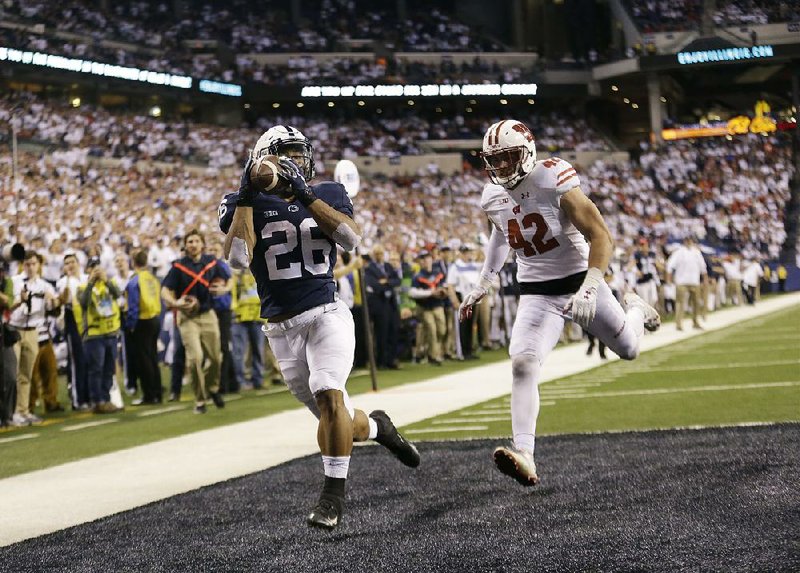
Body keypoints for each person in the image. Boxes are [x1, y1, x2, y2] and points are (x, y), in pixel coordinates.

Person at [219, 124, 420, 529]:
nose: (297, 161)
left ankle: (332, 498)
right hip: (280, 329)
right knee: (341, 419)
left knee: (328, 393)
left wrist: (305, 195)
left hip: (327, 313)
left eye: (300, 153)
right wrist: (245, 195)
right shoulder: (242, 202)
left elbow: (350, 239)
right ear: (265, 158)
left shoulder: (327, 191)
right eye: (287, 154)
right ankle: (379, 427)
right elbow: (239, 260)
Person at [459, 119, 660, 487]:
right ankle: (526, 455)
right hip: (537, 292)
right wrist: (484, 281)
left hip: (580, 281)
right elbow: (501, 234)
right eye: (495, 160)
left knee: (629, 349)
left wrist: (590, 284)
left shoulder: (553, 177)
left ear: (528, 150)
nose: (501, 167)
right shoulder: (491, 195)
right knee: (522, 363)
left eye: (508, 157)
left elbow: (599, 234)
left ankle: (634, 307)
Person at [161, 230, 229, 414]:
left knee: (216, 357)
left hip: (208, 314)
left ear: (202, 243)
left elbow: (230, 278)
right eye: (189, 241)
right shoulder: (178, 267)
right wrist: (175, 303)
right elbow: (165, 290)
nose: (193, 244)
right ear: (185, 245)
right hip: (187, 317)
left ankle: (212, 388)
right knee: (195, 358)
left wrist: (224, 289)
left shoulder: (211, 262)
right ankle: (200, 400)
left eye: (196, 240)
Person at [8, 251, 58, 426]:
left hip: (33, 331)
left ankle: (24, 411)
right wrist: (20, 301)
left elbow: (54, 305)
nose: (30, 267)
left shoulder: (44, 285)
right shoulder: (13, 282)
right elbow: (7, 306)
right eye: (27, 264)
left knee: (27, 374)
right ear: (23, 265)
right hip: (15, 329)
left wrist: (54, 301)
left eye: (33, 264)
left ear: (38, 265)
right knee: (12, 374)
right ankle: (12, 412)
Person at [78, 257, 123, 414]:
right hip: (94, 334)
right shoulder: (83, 287)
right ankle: (97, 401)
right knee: (96, 369)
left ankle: (106, 399)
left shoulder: (110, 284)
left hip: (110, 332)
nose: (96, 270)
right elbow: (83, 302)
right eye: (92, 268)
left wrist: (107, 281)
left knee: (109, 369)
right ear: (87, 270)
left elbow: (118, 294)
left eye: (98, 267)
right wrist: (91, 282)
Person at [124, 250, 163, 405]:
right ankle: (157, 392)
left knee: (143, 360)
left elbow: (133, 306)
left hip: (142, 321)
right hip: (154, 318)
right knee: (153, 357)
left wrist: (131, 325)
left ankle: (149, 395)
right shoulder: (152, 278)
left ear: (133, 263)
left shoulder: (134, 281)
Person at [666, 237, 707, 330]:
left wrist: (705, 279)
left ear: (692, 241)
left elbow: (703, 267)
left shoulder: (697, 252)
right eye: (687, 240)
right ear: (684, 241)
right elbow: (670, 265)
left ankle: (695, 322)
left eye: (690, 240)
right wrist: (668, 279)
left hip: (694, 281)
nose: (689, 242)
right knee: (680, 303)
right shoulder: (678, 252)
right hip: (681, 282)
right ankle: (679, 323)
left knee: (696, 303)